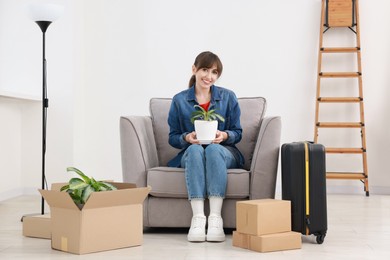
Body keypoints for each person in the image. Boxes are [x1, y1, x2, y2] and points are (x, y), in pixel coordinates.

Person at [167, 51, 244, 242]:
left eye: (214, 72)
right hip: (192, 153)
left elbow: (238, 133)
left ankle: (215, 217)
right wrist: (187, 138)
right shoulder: (179, 100)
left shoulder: (228, 97)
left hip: (223, 151)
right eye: (204, 70)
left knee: (212, 149)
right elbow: (173, 137)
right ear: (194, 69)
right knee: (195, 149)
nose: (209, 76)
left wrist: (225, 135)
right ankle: (198, 218)